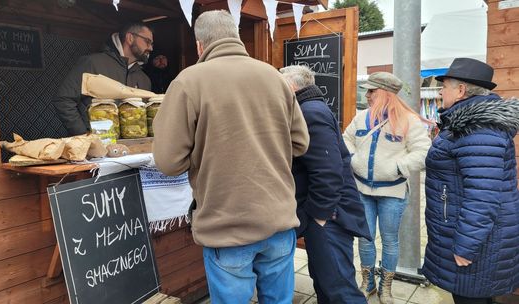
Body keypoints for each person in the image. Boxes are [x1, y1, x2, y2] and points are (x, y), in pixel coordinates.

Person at [151, 10, 309, 304]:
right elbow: (300, 143)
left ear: (200, 45)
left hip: (227, 227)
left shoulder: (188, 82)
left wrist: (204, 156)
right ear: (236, 35)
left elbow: (168, 161)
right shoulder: (274, 77)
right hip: (279, 222)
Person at [423, 58, 519, 304]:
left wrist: (466, 246)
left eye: (444, 86)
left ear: (461, 90)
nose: (441, 91)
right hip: (466, 233)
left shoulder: (477, 128)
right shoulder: (466, 124)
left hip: (474, 243)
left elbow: (483, 196)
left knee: (470, 298)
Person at [280, 65, 371, 304]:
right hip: (327, 215)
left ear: (291, 86)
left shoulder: (310, 112)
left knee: (339, 289)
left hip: (330, 217)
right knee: (325, 284)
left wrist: (319, 216)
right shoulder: (308, 108)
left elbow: (328, 171)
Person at [343, 72, 431, 304]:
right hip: (363, 191)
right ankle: (368, 283)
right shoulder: (361, 118)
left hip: (392, 193)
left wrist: (398, 167)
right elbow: (346, 139)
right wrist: (353, 159)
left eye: (372, 91)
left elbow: (423, 152)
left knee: (390, 240)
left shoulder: (409, 120)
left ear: (383, 94)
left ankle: (386, 287)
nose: (368, 95)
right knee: (365, 238)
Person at [53, 22, 153, 135]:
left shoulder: (144, 79)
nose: (150, 48)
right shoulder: (92, 63)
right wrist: (83, 135)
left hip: (134, 147)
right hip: (95, 146)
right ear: (130, 38)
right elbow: (63, 99)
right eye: (147, 41)